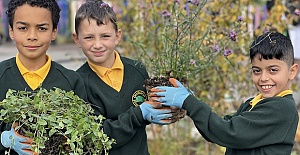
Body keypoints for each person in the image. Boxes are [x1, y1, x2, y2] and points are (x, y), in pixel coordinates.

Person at [153, 32, 299, 155]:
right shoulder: (253, 103)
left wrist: (189, 102)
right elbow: (220, 127)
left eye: (273, 70)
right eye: (257, 71)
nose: (264, 78)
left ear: (292, 71)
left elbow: (228, 132)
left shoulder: (283, 108)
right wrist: (190, 102)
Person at [72, 1, 178, 155]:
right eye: (89, 37)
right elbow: (96, 137)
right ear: (77, 39)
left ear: (117, 36)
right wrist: (138, 114)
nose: (97, 44)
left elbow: (149, 110)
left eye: (105, 36)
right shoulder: (77, 83)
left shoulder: (137, 70)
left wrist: (174, 104)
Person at [0, 0, 87, 154]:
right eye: (23, 28)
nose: (32, 36)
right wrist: (4, 140)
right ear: (11, 31)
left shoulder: (71, 82)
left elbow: (83, 139)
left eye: (41, 28)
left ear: (54, 31)